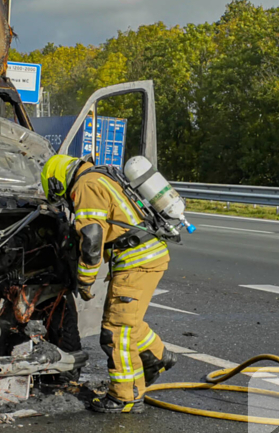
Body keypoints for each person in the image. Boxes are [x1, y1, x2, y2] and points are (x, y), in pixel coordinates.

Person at [41, 154, 177, 414]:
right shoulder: (101, 175)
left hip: (135, 262)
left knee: (116, 331)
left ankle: (126, 397)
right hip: (147, 255)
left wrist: (85, 279)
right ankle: (158, 356)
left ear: (58, 182)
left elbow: (92, 239)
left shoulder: (85, 185)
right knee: (127, 321)